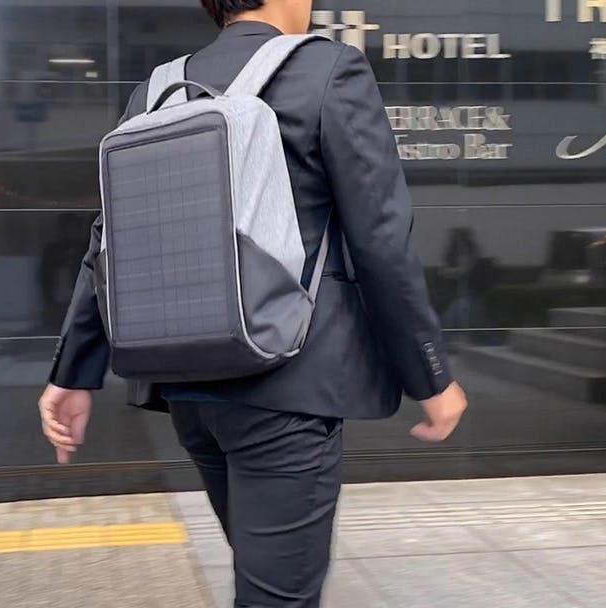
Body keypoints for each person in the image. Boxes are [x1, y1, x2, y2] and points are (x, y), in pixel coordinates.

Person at [37, 1, 468, 606]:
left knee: (264, 579)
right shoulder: (328, 70)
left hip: (187, 389)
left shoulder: (156, 91)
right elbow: (381, 240)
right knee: (276, 595)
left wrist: (72, 375)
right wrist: (431, 375)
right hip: (287, 386)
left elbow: (109, 242)